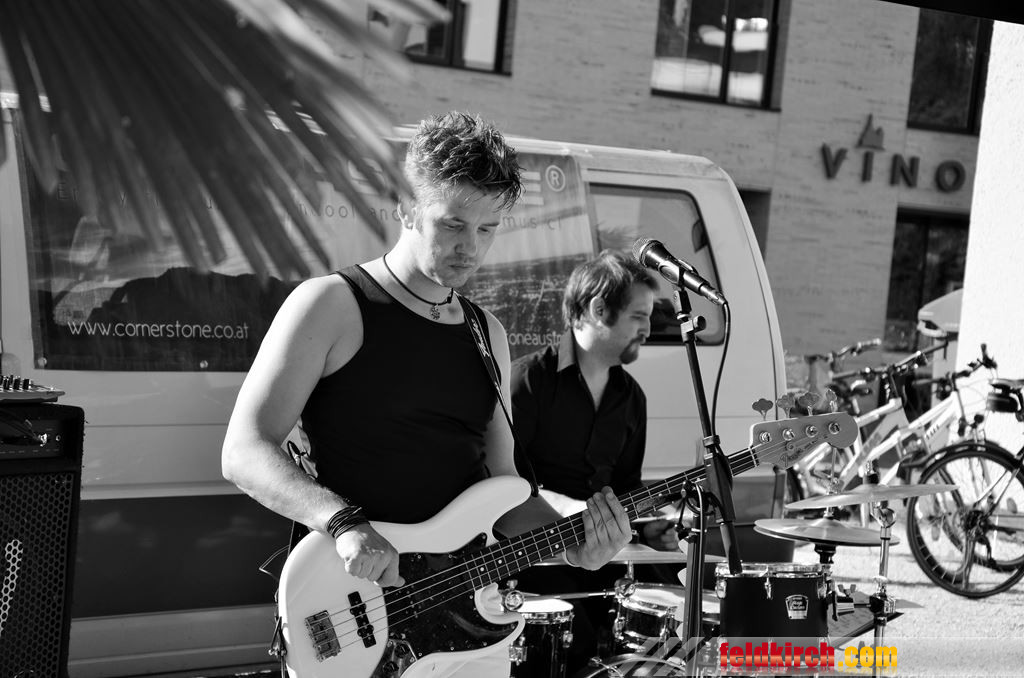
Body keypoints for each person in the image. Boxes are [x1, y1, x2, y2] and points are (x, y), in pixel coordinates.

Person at [221, 112, 632, 678]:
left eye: (487, 229)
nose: (470, 248)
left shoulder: (488, 333)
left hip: (468, 628)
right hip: (350, 612)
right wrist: (343, 523)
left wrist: (573, 547)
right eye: (453, 224)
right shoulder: (331, 305)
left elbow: (504, 491)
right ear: (405, 207)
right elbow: (244, 451)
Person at [510, 250, 679, 672]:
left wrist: (652, 524)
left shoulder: (632, 397)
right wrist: (569, 509)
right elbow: (504, 483)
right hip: (535, 558)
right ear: (599, 310)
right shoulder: (528, 381)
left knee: (672, 623)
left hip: (607, 556)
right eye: (638, 316)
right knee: (578, 644)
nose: (648, 329)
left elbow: (628, 487)